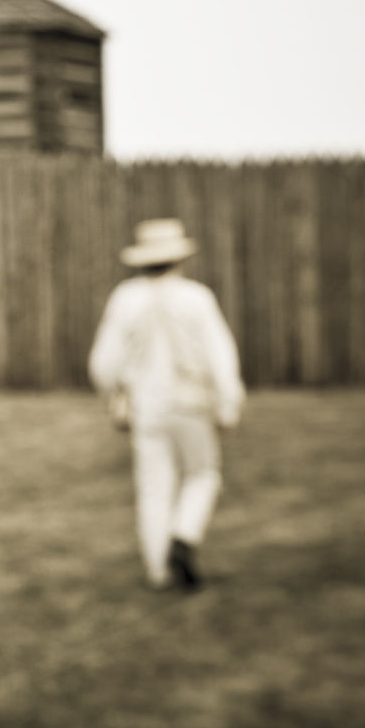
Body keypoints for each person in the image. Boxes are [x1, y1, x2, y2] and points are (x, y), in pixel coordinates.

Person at [89, 218, 246, 592]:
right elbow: (220, 355)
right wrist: (229, 401)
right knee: (203, 474)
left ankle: (158, 570)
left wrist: (114, 396)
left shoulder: (126, 298)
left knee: (153, 487)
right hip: (192, 404)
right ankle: (184, 535)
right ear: (179, 258)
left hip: (147, 407)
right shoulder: (196, 297)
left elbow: (103, 363)